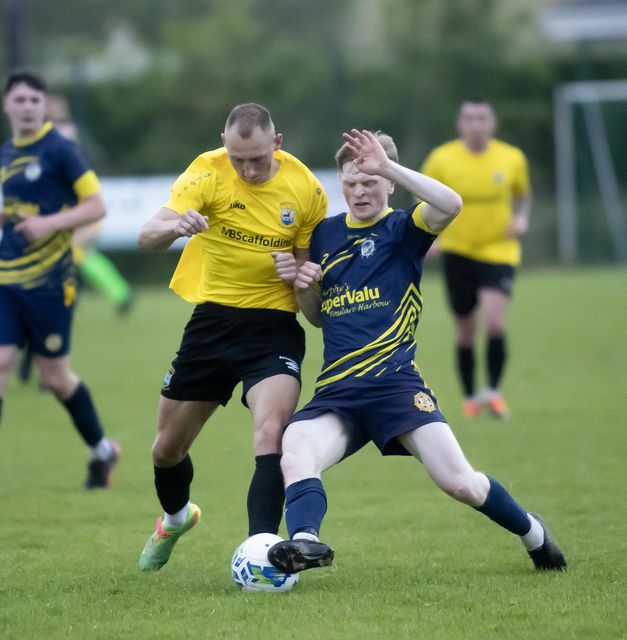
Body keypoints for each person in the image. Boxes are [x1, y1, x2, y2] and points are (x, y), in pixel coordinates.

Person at [266, 129, 566, 577]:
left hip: (395, 386)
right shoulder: (325, 235)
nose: (360, 190)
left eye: (370, 180)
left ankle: (534, 534)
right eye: (351, 181)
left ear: (388, 183)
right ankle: (305, 542)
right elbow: (317, 317)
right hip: (338, 393)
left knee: (461, 483)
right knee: (295, 447)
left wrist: (386, 164)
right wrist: (302, 286)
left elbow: (452, 204)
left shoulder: (405, 228)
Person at [136, 103, 328, 571]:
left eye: (257, 159)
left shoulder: (306, 189)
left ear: (277, 142)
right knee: (166, 450)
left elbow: (315, 312)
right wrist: (175, 227)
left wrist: (301, 277)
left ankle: (261, 550)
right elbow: (148, 236)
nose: (246, 169)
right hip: (212, 323)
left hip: (273, 327)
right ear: (225, 144)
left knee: (270, 431)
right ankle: (176, 517)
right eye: (237, 158)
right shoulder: (208, 172)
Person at [0, 71, 120, 488]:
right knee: (1, 363)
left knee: (55, 379)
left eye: (35, 99)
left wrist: (49, 223)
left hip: (50, 282)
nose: (28, 106)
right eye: (21, 100)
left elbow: (96, 206)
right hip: (6, 280)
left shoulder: (61, 150)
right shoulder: (4, 154)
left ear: (43, 105)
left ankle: (101, 450)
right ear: (7, 106)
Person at [421, 98, 532, 420]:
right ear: (460, 124)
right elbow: (423, 196)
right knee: (465, 331)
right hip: (456, 252)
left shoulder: (511, 158)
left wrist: (522, 218)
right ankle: (470, 397)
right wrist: (431, 236)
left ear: (492, 123)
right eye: (469, 118)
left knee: (495, 322)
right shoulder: (441, 159)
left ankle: (494, 394)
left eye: (482, 118)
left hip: (499, 251)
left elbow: (523, 196)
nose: (475, 124)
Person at [17, 95, 133, 384]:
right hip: (55, 238)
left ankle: (43, 364)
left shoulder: (65, 151)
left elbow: (90, 203)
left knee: (60, 295)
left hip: (72, 232)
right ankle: (36, 358)